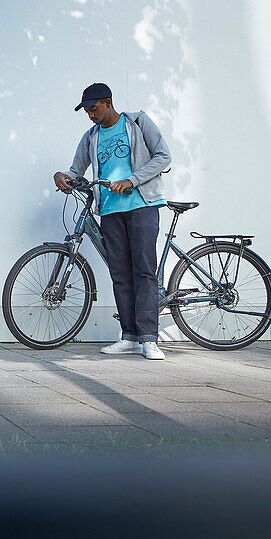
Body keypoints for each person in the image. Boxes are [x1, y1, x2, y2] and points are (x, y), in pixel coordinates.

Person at [54, 83, 172, 360]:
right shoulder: (90, 136)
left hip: (142, 205)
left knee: (143, 271)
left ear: (108, 102)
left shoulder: (137, 122)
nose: (90, 115)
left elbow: (164, 156)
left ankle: (149, 339)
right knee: (120, 274)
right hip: (109, 210)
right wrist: (61, 177)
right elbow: (76, 170)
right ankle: (129, 336)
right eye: (86, 111)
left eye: (93, 109)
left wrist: (131, 180)